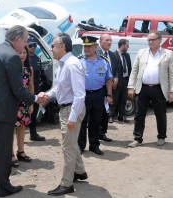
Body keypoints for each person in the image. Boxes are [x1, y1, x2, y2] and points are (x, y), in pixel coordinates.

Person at [0, 25, 47, 197]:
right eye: (25, 41)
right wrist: (35, 98)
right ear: (17, 39)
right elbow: (18, 90)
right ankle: (3, 188)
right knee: (3, 152)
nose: (25, 45)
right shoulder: (12, 56)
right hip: (2, 112)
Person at [41, 33, 87, 196]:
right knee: (71, 143)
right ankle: (80, 171)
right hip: (66, 108)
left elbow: (80, 94)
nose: (51, 49)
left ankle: (66, 184)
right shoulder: (63, 64)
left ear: (62, 47)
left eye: (53, 46)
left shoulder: (72, 64)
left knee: (67, 147)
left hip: (71, 109)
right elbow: (59, 88)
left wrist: (72, 117)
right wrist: (46, 95)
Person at [128, 31, 173, 148]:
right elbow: (134, 70)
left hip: (159, 88)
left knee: (160, 114)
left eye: (153, 39)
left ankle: (161, 136)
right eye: (149, 40)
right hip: (142, 88)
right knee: (139, 115)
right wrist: (131, 86)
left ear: (160, 40)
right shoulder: (142, 52)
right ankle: (137, 138)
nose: (150, 42)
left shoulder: (168, 54)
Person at [78, 36, 113, 155]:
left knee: (96, 121)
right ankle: (80, 146)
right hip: (84, 95)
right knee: (82, 122)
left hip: (99, 94)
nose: (86, 48)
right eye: (85, 46)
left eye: (89, 46)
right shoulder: (79, 61)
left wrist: (109, 95)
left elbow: (108, 79)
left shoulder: (104, 60)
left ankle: (94, 145)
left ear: (96, 46)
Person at [11, 47, 34, 168]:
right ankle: (10, 154)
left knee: (22, 127)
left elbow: (31, 87)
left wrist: (31, 103)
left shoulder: (29, 69)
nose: (22, 55)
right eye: (19, 52)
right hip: (12, 103)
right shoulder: (11, 68)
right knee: (11, 129)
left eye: (24, 52)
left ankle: (21, 151)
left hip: (24, 103)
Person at [97, 34, 119, 142]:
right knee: (97, 111)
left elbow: (117, 69)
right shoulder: (96, 53)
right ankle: (95, 133)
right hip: (98, 87)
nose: (109, 42)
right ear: (100, 41)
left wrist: (116, 77)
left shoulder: (112, 55)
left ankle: (102, 133)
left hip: (109, 88)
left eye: (110, 40)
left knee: (106, 111)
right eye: (107, 40)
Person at [27, 37, 46, 141]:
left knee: (34, 113)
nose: (33, 48)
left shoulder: (37, 59)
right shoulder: (23, 58)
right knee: (22, 113)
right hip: (25, 90)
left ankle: (33, 134)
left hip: (36, 89)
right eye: (31, 46)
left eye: (34, 46)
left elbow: (42, 73)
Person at [110, 39, 132, 123]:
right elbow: (112, 68)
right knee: (114, 99)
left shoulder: (127, 55)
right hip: (117, 80)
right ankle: (111, 116)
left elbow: (129, 68)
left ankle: (121, 116)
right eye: (127, 45)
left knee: (123, 99)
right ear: (122, 45)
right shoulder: (113, 55)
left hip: (125, 80)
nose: (128, 47)